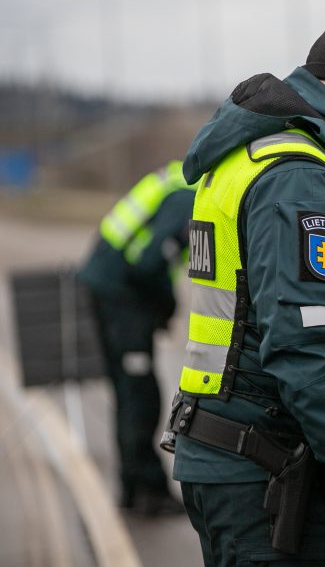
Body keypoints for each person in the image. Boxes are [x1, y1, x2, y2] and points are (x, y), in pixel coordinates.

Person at [164, 7, 325, 565]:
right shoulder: (300, 178)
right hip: (264, 467)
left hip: (242, 454)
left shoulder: (265, 155)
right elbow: (305, 336)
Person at [78, 159, 195, 515]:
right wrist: (168, 303)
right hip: (123, 297)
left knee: (129, 391)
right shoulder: (188, 197)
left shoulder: (177, 178)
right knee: (139, 392)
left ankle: (133, 486)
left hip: (109, 289)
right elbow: (148, 262)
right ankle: (145, 490)